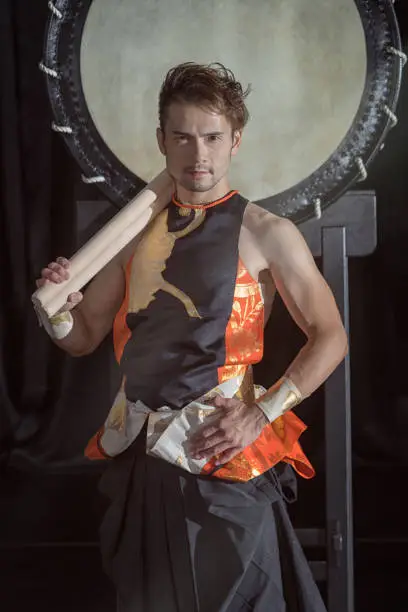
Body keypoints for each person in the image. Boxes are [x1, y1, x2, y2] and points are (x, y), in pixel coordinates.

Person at [36, 62, 347, 611]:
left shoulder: (268, 234)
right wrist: (58, 311)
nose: (197, 154)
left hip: (222, 452)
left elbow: (330, 337)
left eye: (211, 137)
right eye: (181, 136)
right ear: (161, 140)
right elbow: (81, 337)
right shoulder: (132, 234)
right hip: (139, 455)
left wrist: (262, 412)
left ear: (235, 141)